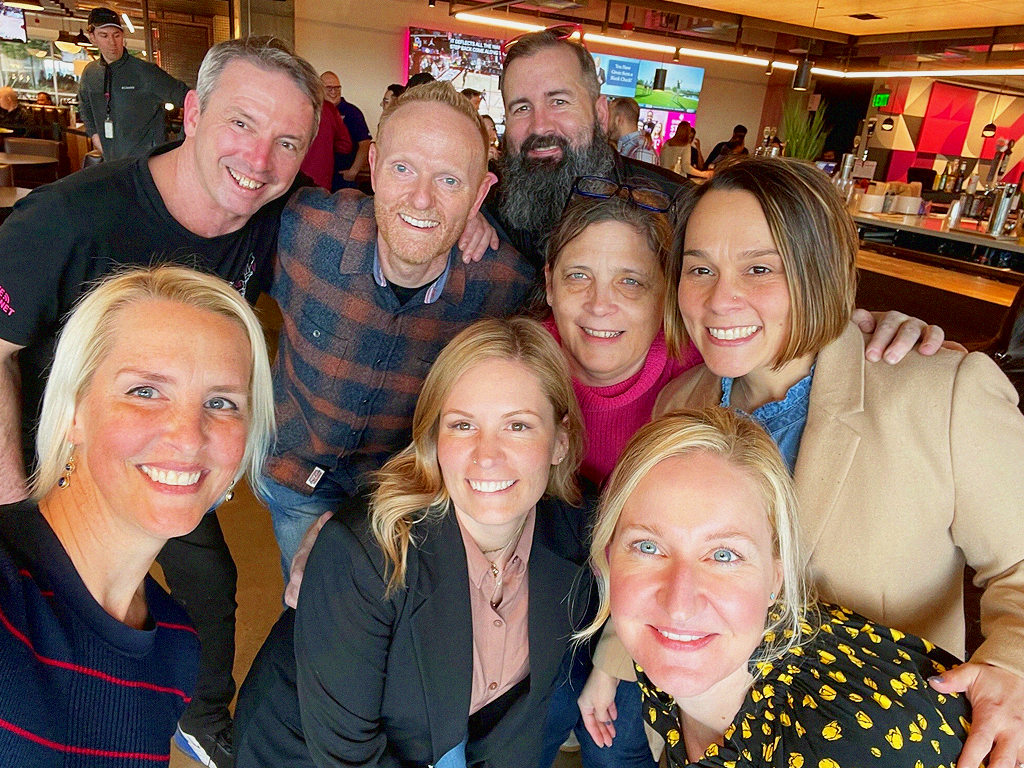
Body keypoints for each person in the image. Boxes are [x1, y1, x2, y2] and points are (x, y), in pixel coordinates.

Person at [0, 36, 322, 767]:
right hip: (52, 467)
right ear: (195, 111)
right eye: (242, 123)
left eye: (287, 142)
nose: (259, 160)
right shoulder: (68, 219)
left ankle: (200, 720)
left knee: (202, 590)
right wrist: (17, 512)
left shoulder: (272, 219)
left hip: (159, 460)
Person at [648, 156, 1024, 768]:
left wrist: (1011, 667)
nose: (721, 298)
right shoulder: (677, 406)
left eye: (760, 268)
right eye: (700, 269)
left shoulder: (940, 393)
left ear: (819, 274)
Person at [235, 317, 592, 768]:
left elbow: (515, 723)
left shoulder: (575, 531)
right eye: (462, 426)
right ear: (434, 437)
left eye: (518, 426)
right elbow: (347, 757)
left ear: (560, 442)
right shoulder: (365, 554)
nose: (487, 454)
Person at [582, 407, 970, 767]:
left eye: (723, 555)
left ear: (775, 578)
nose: (679, 605)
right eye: (648, 547)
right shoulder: (682, 647)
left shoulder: (847, 747)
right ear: (609, 558)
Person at [0, 265, 274, 766]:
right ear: (72, 412)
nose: (189, 436)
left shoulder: (175, 650)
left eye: (222, 402)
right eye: (145, 391)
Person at [258, 82, 534, 576]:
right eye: (403, 168)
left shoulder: (507, 288)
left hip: (403, 494)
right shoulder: (303, 228)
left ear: (480, 195)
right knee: (306, 605)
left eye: (450, 181)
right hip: (294, 476)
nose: (422, 199)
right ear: (375, 163)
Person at [491, 30, 687, 271]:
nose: (540, 126)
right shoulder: (488, 203)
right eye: (521, 108)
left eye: (559, 102)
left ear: (601, 114)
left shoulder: (678, 210)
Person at [77, 7, 189, 160]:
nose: (112, 42)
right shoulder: (90, 74)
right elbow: (85, 106)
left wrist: (180, 146)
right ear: (92, 37)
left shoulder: (145, 72)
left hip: (148, 164)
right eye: (104, 36)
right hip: (114, 164)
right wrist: (95, 137)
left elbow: (190, 99)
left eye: (116, 35)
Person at [321, 71, 372, 190]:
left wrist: (353, 171)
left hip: (343, 177)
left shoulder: (352, 112)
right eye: (329, 88)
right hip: (321, 177)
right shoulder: (316, 111)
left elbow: (365, 143)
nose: (334, 92)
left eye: (337, 88)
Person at [300, 92, 353, 190]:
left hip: (288, 178)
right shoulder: (328, 108)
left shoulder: (287, 105)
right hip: (320, 178)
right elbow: (345, 146)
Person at [609, 98, 658, 164]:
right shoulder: (629, 148)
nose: (606, 124)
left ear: (618, 120)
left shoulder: (641, 151)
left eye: (609, 118)